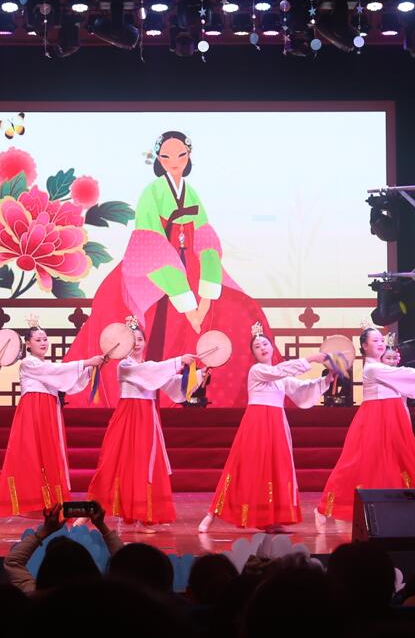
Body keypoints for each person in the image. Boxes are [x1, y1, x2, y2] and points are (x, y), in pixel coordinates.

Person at [65, 131, 274, 408]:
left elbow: (207, 241)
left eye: (181, 156)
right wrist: (187, 303)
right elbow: (151, 245)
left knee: (242, 310)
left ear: (189, 157)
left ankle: (210, 394)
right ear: (158, 160)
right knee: (126, 315)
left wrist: (206, 296)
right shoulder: (151, 193)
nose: (174, 162)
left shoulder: (192, 192)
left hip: (193, 266)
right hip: (158, 271)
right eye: (166, 156)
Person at [199, 324, 331, 533]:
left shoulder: (280, 378)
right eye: (257, 346)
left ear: (272, 347)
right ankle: (211, 515)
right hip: (257, 423)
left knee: (276, 468)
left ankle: (270, 518)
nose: (262, 348)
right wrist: (312, 358)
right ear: (253, 353)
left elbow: (302, 389)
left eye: (265, 344)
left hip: (276, 423)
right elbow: (278, 371)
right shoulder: (258, 370)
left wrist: (328, 379)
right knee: (243, 467)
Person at [316, 325, 415, 532]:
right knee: (358, 463)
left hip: (394, 418)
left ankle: (403, 509)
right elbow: (401, 374)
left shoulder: (384, 368)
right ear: (364, 346)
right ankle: (326, 507)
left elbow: (407, 385)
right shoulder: (372, 368)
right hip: (375, 419)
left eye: (381, 340)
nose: (380, 343)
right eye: (375, 340)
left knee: (399, 461)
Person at [0, 319, 102, 534]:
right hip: (31, 415)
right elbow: (55, 370)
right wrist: (86, 362)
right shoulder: (28, 363)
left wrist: (94, 367)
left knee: (51, 462)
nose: (43, 342)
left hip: (49, 415)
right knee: (19, 461)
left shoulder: (49, 367)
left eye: (45, 339)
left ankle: (56, 512)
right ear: (28, 344)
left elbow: (68, 382)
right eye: (38, 340)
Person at [87, 315, 196, 530]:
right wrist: (178, 361)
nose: (137, 343)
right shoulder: (125, 365)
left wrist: (199, 376)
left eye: (140, 339)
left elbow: (169, 382)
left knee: (145, 464)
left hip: (147, 417)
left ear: (145, 342)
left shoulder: (150, 367)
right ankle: (91, 510)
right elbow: (150, 373)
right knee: (113, 461)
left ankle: (143, 514)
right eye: (133, 339)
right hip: (129, 416)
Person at [3, 504, 124, 594]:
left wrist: (44, 531)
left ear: (46, 568)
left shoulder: (34, 594)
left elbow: (12, 562)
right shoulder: (105, 599)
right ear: (89, 566)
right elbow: (124, 561)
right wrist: (101, 525)